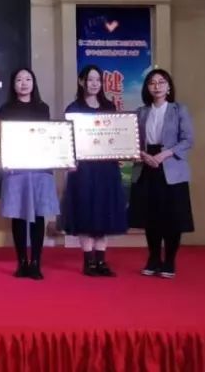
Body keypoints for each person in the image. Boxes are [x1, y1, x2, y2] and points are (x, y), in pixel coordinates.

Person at [62, 65, 128, 277]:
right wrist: (70, 161)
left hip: (106, 167)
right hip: (83, 169)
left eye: (97, 80)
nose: (94, 84)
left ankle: (101, 260)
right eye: (90, 79)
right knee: (85, 211)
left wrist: (122, 152)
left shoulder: (109, 107)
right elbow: (67, 140)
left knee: (104, 211)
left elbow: (117, 136)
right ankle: (88, 261)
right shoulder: (73, 109)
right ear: (81, 82)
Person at [131, 68, 195, 279]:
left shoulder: (179, 110)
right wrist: (144, 155)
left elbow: (188, 140)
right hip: (146, 165)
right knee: (151, 216)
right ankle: (153, 258)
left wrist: (164, 155)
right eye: (152, 83)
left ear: (168, 87)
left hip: (170, 166)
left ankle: (169, 261)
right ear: (147, 88)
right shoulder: (140, 112)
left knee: (172, 217)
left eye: (161, 82)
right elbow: (132, 140)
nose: (156, 86)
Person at [0, 67, 58, 280]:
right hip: (16, 170)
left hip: (40, 169)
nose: (24, 83)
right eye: (19, 80)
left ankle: (36, 262)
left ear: (34, 83)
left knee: (38, 216)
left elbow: (49, 137)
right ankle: (22, 262)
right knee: (18, 216)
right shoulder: (6, 109)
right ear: (13, 84)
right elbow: (1, 139)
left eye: (28, 79)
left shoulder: (42, 108)